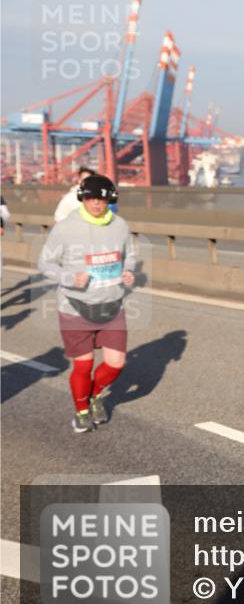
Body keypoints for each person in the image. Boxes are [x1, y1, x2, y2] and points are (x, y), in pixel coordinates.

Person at [38, 174, 136, 433]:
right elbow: (44, 263)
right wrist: (70, 278)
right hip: (75, 306)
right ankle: (81, 410)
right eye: (91, 197)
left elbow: (130, 255)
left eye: (102, 198)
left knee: (116, 363)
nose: (96, 203)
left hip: (112, 304)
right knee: (83, 364)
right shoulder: (66, 227)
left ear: (110, 199)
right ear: (83, 197)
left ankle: (93, 397)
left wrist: (129, 271)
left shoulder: (120, 225)